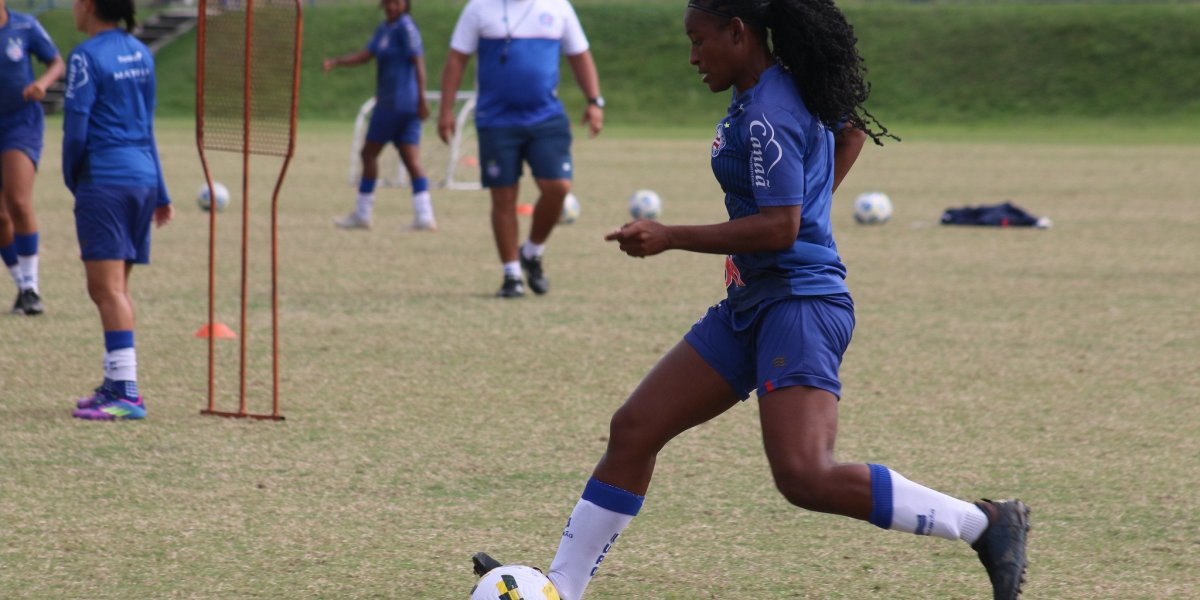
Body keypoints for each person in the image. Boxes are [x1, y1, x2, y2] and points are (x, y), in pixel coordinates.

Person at [472, 1, 1030, 599]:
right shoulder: (776, 88)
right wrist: (810, 201)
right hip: (753, 301)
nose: (692, 57)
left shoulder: (767, 109)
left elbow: (780, 228)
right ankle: (562, 586)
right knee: (635, 428)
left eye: (699, 41)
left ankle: (986, 524)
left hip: (800, 305)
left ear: (738, 33)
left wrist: (669, 236)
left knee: (805, 474)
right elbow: (848, 130)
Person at [438, 0, 603, 298]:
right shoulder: (478, 8)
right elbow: (456, 59)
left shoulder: (558, 7)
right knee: (504, 196)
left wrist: (594, 101)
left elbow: (580, 56)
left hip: (546, 118)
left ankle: (532, 252)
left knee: (558, 187)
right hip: (496, 120)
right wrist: (446, 110)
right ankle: (511, 275)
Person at [64, 0, 173, 420]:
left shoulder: (86, 56)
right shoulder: (139, 51)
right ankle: (115, 381)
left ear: (90, 6)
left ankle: (126, 393)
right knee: (112, 288)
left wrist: (74, 179)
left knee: (106, 290)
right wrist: (160, 190)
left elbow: (76, 128)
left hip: (105, 179)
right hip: (141, 178)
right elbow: (147, 123)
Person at [325, 0, 436, 232]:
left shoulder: (406, 26)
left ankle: (363, 213)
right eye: (390, 2)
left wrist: (422, 100)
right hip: (402, 106)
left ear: (406, 4)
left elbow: (419, 62)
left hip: (394, 104)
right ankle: (424, 215)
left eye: (398, 3)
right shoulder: (385, 28)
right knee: (410, 158)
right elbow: (367, 55)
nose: (393, 7)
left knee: (368, 154)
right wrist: (338, 61)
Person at [0, 0, 65, 315]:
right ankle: (20, 286)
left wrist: (41, 83)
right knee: (0, 217)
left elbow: (56, 62)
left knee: (19, 202)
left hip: (20, 124)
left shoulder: (24, 26)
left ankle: (31, 288)